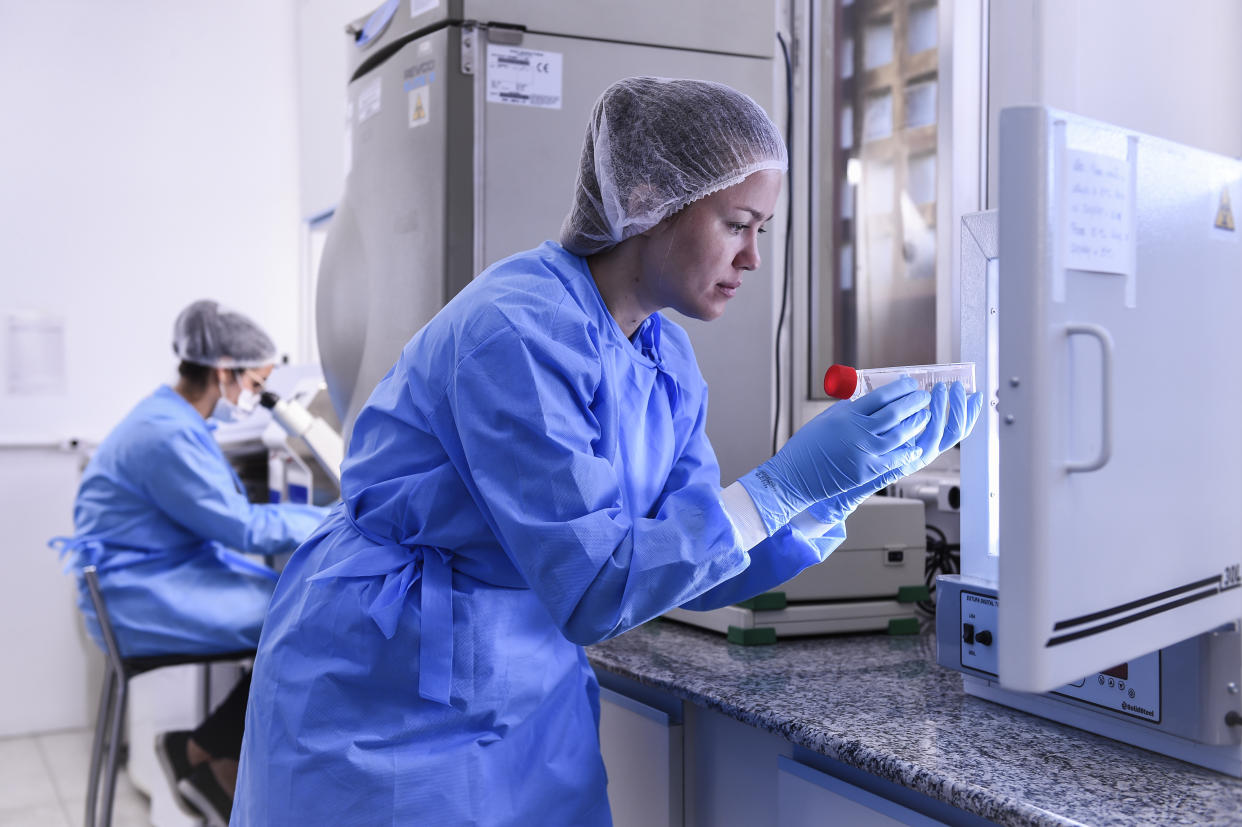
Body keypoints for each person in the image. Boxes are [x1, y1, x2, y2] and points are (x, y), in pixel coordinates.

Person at [232, 77, 983, 825]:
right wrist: (785, 482)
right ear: (651, 197)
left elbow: (680, 563)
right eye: (737, 223)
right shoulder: (518, 331)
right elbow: (597, 586)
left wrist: (839, 488)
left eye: (764, 229)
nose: (754, 257)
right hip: (389, 677)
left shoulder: (668, 360)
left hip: (526, 683)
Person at [50, 300, 330, 827]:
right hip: (138, 594)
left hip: (151, 575)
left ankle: (208, 750)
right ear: (224, 371)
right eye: (256, 384)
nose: (255, 398)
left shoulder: (171, 417)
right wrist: (328, 518)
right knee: (305, 617)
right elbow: (241, 527)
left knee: (294, 605)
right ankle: (206, 751)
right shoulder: (167, 433)